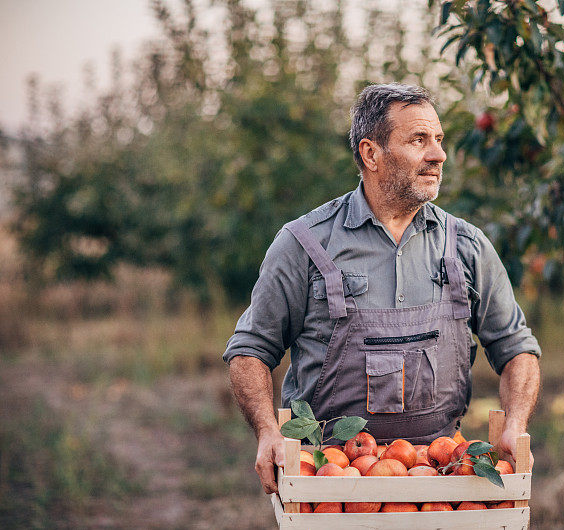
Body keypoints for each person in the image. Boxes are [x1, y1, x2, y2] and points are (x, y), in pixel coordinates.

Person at [224, 83, 542, 494]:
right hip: (329, 478)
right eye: (418, 140)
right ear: (370, 154)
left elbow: (516, 347)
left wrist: (515, 425)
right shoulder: (304, 244)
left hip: (441, 474)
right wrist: (268, 431)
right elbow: (250, 349)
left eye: (439, 140)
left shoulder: (465, 246)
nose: (438, 155)